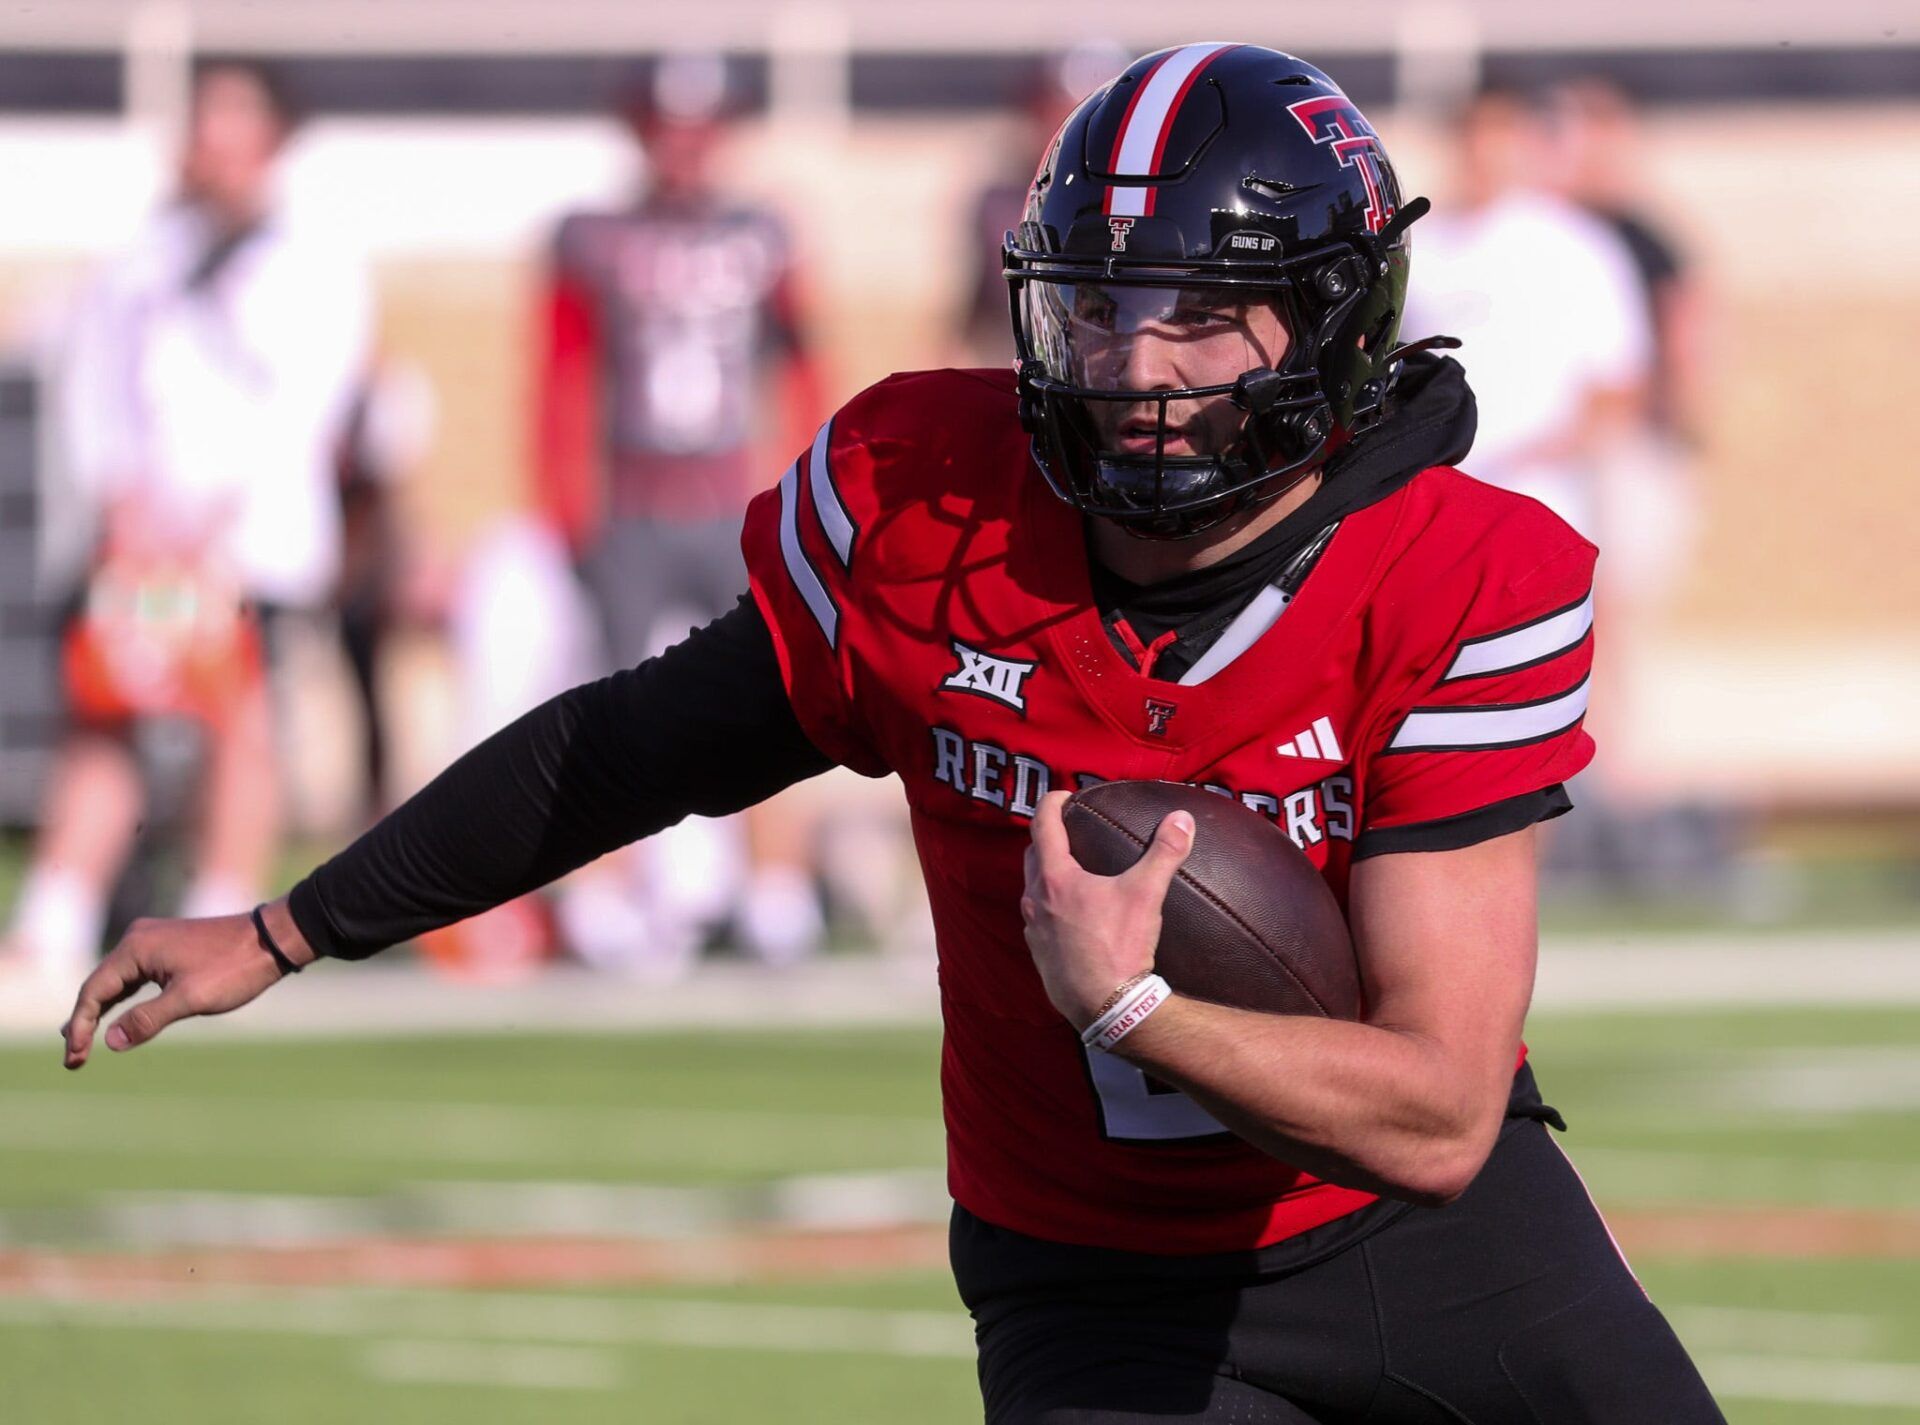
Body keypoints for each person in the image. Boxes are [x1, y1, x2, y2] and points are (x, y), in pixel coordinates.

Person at [59, 46, 1723, 1423]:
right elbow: (624, 751)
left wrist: (1135, 1003)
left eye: (1203, 320)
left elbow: (1436, 1115)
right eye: (1101, 311)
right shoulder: (925, 505)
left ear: (1336, 320)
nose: (1139, 368)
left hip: (1414, 1238)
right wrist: (288, 927)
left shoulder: (1458, 569)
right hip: (1095, 1279)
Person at [3, 60, 370, 986]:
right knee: (104, 715)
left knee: (240, 722)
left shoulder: (312, 260)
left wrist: (216, 511)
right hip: (138, 540)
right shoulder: (144, 259)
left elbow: (306, 402)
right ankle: (53, 918)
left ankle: (224, 914)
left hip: (246, 545)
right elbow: (94, 383)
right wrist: (123, 494)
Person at [532, 52, 829, 975]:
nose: (687, 150)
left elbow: (803, 366)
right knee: (612, 705)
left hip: (735, 499)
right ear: (640, 132)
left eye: (702, 131)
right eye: (670, 130)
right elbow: (561, 375)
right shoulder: (592, 233)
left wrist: (811, 490)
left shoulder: (764, 231)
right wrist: (562, 504)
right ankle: (610, 896)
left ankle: (776, 892)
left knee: (779, 696)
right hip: (635, 499)